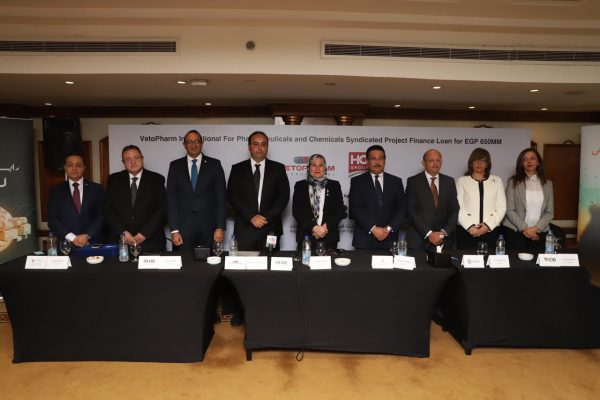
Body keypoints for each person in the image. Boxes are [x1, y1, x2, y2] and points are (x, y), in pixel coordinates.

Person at [227, 131, 290, 251]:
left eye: (263, 144)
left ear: (267, 147)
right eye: (255, 144)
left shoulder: (278, 169)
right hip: (245, 229)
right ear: (249, 147)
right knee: (244, 262)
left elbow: (283, 196)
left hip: (270, 228)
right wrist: (251, 217)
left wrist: (265, 218)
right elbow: (232, 196)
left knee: (270, 262)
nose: (259, 148)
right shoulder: (237, 169)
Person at [167, 130, 227, 250]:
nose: (193, 145)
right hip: (183, 230)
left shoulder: (214, 164)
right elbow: (171, 200)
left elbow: (221, 198)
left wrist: (220, 227)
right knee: (184, 261)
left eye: (196, 141)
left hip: (209, 230)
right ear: (184, 145)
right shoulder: (175, 166)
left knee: (208, 262)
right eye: (189, 142)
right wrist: (174, 230)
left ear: (202, 143)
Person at [103, 145, 167, 253]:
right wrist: (122, 232)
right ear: (123, 162)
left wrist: (145, 233)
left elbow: (162, 209)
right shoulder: (114, 180)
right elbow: (107, 209)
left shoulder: (156, 179)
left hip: (150, 242)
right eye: (128, 159)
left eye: (136, 158)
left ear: (142, 158)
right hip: (121, 242)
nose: (133, 162)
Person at [349, 145, 408, 250]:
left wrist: (388, 229)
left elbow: (402, 208)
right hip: (364, 240)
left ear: (385, 161)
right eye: (373, 159)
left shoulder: (396, 181)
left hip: (390, 239)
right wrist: (373, 229)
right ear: (367, 161)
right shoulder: (357, 181)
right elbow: (355, 209)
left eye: (380, 158)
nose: (377, 162)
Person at [406, 149, 459, 251]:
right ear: (423, 163)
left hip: (444, 240)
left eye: (438, 160)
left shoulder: (449, 181)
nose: (435, 163)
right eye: (431, 160)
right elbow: (411, 211)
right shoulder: (413, 182)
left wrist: (444, 232)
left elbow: (454, 209)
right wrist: (429, 233)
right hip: (419, 239)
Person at [503, 148, 554, 253]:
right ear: (521, 163)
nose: (529, 161)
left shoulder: (548, 184)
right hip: (516, 231)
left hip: (539, 232)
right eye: (525, 159)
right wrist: (525, 229)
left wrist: (535, 229)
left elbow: (549, 212)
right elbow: (509, 209)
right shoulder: (513, 182)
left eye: (532, 158)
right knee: (516, 262)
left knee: (537, 261)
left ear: (538, 162)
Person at [47, 154, 104, 246]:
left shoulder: (97, 189)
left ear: (84, 168)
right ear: (65, 168)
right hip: (66, 245)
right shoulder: (55, 191)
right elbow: (52, 219)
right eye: (70, 165)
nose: (74, 168)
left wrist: (87, 235)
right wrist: (72, 238)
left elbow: (101, 216)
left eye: (78, 165)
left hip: (91, 243)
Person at [292, 154, 345, 251]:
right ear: (308, 168)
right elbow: (297, 211)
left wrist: (325, 228)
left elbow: (340, 211)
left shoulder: (334, 185)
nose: (317, 168)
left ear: (325, 168)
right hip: (306, 237)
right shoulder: (300, 186)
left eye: (321, 165)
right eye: (313, 165)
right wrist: (314, 228)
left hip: (329, 237)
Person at [456, 147, 506, 250]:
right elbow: (458, 206)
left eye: (483, 161)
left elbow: (502, 207)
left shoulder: (497, 180)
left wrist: (487, 226)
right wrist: (470, 226)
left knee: (489, 259)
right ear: (471, 163)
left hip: (490, 231)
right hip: (467, 231)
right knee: (466, 259)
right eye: (476, 160)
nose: (479, 163)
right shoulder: (462, 181)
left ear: (487, 164)